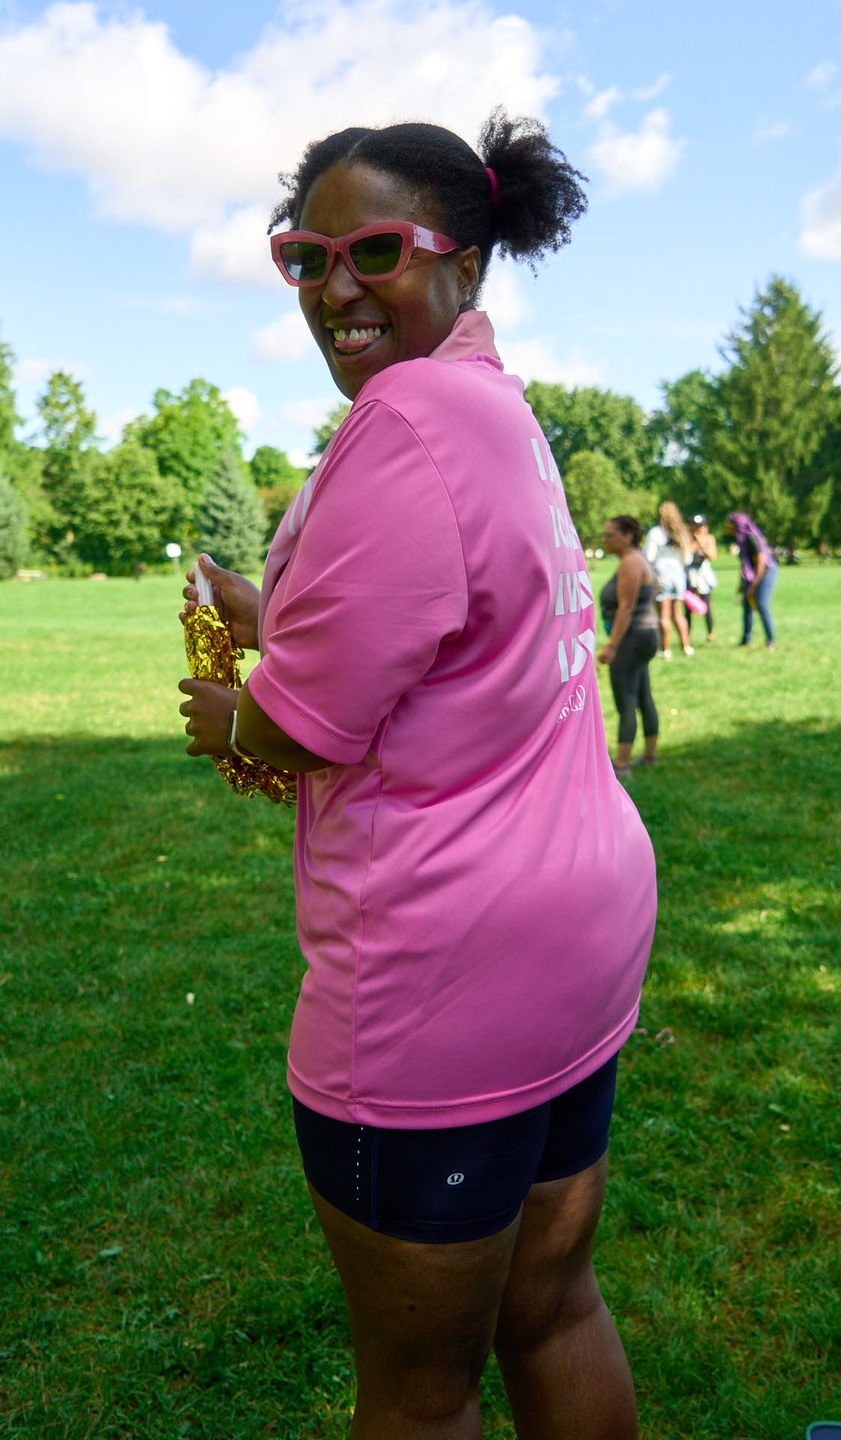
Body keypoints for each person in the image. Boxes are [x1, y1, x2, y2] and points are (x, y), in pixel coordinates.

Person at [177, 109, 656, 1440]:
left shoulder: (403, 418)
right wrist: (270, 613)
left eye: (375, 250)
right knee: (553, 1303)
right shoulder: (493, 407)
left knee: (420, 1388)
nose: (335, 287)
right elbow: (450, 628)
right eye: (305, 256)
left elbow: (301, 729)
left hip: (448, 972)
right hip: (576, 928)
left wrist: (225, 712)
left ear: (465, 257)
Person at [597, 516, 660, 777]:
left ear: (627, 536)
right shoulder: (638, 559)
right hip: (645, 634)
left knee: (626, 700)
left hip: (632, 638)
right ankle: (649, 756)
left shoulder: (631, 563)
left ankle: (621, 764)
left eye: (610, 534)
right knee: (643, 695)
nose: (605, 539)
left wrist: (612, 646)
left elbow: (626, 607)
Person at [642, 501, 693, 657]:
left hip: (661, 575)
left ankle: (665, 649)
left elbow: (648, 556)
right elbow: (688, 559)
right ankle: (686, 647)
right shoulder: (682, 533)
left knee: (663, 615)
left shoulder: (656, 533)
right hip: (678, 575)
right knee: (677, 613)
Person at [727, 511, 777, 649]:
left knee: (761, 605)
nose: (727, 528)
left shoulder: (750, 538)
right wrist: (741, 585)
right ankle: (746, 639)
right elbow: (745, 564)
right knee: (747, 605)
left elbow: (761, 563)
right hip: (753, 573)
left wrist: (753, 586)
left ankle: (770, 641)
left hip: (765, 572)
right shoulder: (741, 538)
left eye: (729, 525)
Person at [685, 513, 718, 642]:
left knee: (706, 604)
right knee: (688, 607)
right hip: (689, 575)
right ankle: (686, 635)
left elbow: (712, 557)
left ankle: (710, 633)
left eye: (701, 527)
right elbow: (685, 556)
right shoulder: (687, 539)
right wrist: (695, 543)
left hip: (703, 575)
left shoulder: (709, 539)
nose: (699, 530)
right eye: (696, 527)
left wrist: (702, 544)